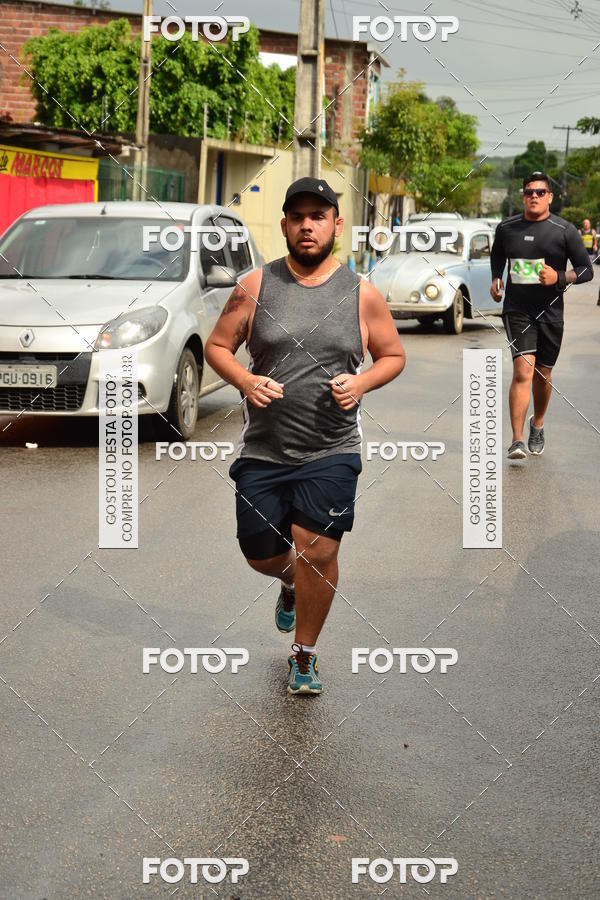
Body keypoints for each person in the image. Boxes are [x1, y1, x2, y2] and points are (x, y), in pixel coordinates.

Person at [205, 177, 406, 694]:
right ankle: (289, 582)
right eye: (298, 217)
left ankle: (304, 654)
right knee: (260, 554)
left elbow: (393, 355)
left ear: (337, 225)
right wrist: (246, 380)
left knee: (317, 551)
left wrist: (361, 382)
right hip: (265, 450)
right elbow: (218, 347)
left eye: (319, 216)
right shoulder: (254, 286)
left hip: (332, 448)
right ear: (285, 226)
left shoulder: (362, 293)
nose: (308, 225)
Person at [490, 172, 593, 459]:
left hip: (551, 313)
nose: (533, 196)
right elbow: (498, 254)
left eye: (539, 192)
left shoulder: (564, 230)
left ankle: (538, 423)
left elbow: (586, 270)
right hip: (517, 309)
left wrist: (559, 276)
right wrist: (496, 277)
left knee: (542, 374)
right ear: (522, 196)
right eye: (528, 192)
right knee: (522, 370)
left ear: (550, 196)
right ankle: (517, 439)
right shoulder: (507, 228)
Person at [578, 218, 600, 305]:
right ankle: (585, 274)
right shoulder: (580, 232)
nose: (587, 225)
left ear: (590, 224)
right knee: (585, 264)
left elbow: (595, 240)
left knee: (589, 264)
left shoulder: (593, 231)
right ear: (583, 224)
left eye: (588, 223)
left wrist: (595, 245)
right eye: (585, 223)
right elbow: (577, 241)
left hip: (591, 251)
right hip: (583, 251)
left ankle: (588, 274)